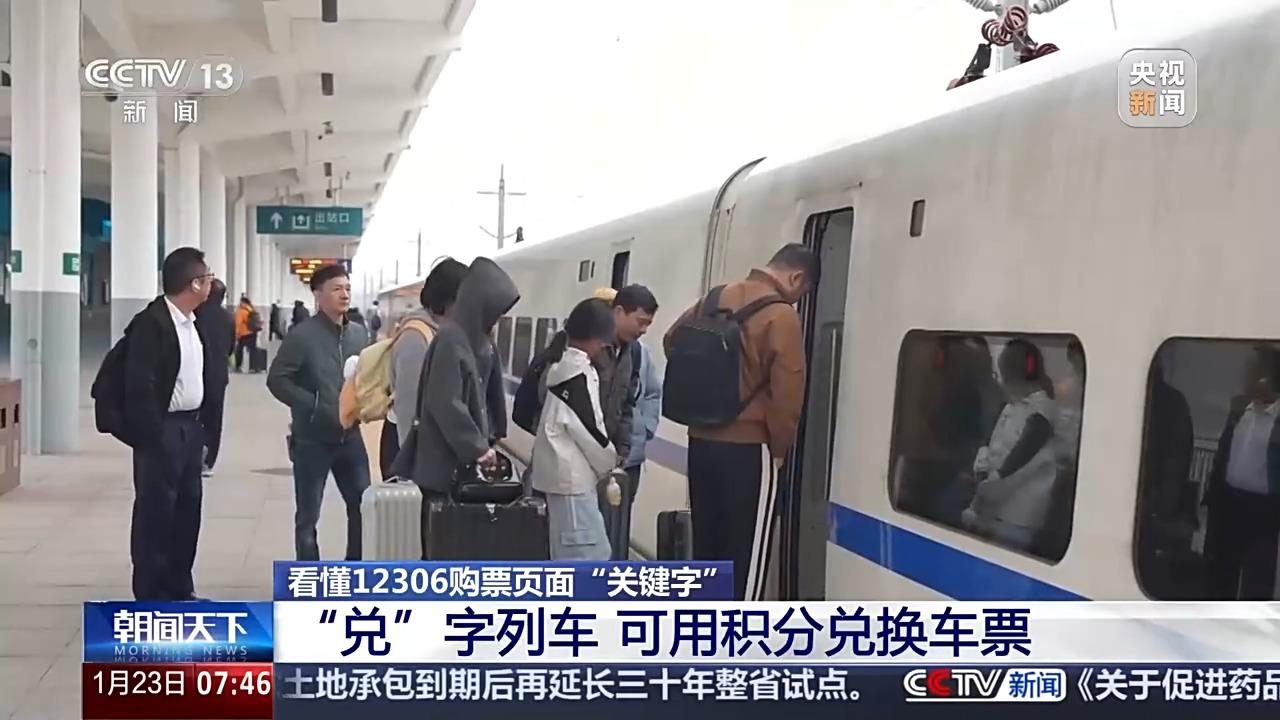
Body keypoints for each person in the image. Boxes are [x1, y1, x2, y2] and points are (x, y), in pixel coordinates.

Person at [662, 243, 818, 600]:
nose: (798, 299)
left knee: (708, 549)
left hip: (701, 443)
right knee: (745, 559)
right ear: (796, 278)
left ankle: (703, 626)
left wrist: (709, 390)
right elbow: (788, 391)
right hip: (749, 450)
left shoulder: (715, 298)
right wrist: (779, 450)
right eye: (803, 291)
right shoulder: (781, 315)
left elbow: (673, 340)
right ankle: (737, 631)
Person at [123, 247, 219, 600]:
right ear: (194, 283)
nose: (211, 284)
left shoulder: (194, 322)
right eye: (207, 278)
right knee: (156, 514)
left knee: (187, 511)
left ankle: (180, 588)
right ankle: (150, 594)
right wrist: (153, 435)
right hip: (163, 431)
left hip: (190, 430)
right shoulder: (152, 324)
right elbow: (139, 385)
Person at [267, 264, 371, 561]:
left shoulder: (359, 335)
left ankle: (354, 570)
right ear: (318, 295)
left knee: (362, 507)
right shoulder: (302, 336)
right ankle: (309, 575)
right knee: (308, 516)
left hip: (350, 437)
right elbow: (277, 380)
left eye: (347, 288)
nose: (344, 294)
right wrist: (314, 405)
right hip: (312, 440)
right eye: (336, 289)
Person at [407, 257, 518, 499]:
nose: (496, 318)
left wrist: (491, 436)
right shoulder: (451, 339)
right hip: (444, 469)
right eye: (494, 310)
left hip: (462, 464)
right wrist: (477, 447)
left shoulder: (479, 340)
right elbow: (445, 402)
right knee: (443, 521)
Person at [531, 298, 618, 560]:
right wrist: (610, 461)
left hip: (565, 482)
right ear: (597, 341)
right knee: (588, 556)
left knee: (570, 555)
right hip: (572, 485)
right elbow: (589, 431)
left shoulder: (562, 368)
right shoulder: (576, 376)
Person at [961, 339, 1060, 551]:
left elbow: (1025, 449)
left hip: (1020, 516)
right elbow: (993, 439)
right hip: (997, 509)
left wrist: (996, 479)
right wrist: (982, 464)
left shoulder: (1042, 409)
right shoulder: (1012, 405)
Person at [1203, 345, 1280, 599]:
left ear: (1266, 377)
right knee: (1220, 573)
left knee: (1258, 580)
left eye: (1251, 371)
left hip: (1265, 511)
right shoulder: (1238, 408)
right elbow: (1223, 453)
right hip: (1229, 503)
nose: (1244, 377)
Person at [385, 258, 469, 478]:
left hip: (426, 446)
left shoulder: (442, 333)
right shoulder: (416, 337)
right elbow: (408, 405)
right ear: (448, 300)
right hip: (406, 449)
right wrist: (411, 466)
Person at [598, 284, 660, 560]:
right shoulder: (591, 347)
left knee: (619, 522)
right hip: (592, 455)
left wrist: (644, 428)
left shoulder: (639, 353)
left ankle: (614, 571)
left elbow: (652, 393)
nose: (644, 329)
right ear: (619, 312)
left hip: (628, 458)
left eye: (648, 324)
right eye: (641, 321)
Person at [193, 278, 234, 477]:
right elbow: (232, 346)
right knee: (214, 419)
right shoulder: (228, 318)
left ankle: (193, 455)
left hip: (196, 372)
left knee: (193, 416)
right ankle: (209, 461)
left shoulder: (196, 314)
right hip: (218, 374)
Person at [233, 296, 259, 373]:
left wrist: (236, 334)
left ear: (243, 302)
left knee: (239, 350)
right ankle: (253, 367)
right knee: (253, 351)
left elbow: (238, 323)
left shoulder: (241, 311)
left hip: (244, 333)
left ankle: (238, 366)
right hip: (253, 332)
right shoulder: (251, 309)